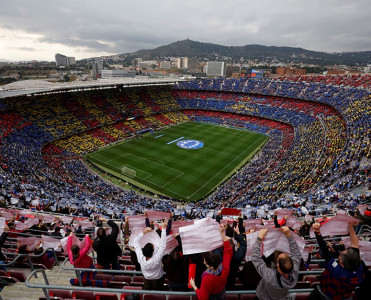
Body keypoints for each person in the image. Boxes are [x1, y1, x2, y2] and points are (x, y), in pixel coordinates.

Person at [309, 222, 365, 300]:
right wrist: (351, 227)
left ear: (341, 261)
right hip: (345, 296)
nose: (340, 253)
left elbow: (325, 251)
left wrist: (317, 232)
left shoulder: (336, 271)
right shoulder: (358, 271)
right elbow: (355, 245)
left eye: (341, 254)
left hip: (325, 296)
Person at [252, 226, 301, 300]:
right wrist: (288, 235)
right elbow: (296, 253)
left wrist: (259, 238)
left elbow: (256, 258)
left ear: (277, 264)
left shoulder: (268, 276)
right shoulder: (294, 272)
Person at [189, 226, 233, 300]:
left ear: (211, 267)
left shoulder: (206, 279)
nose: (203, 262)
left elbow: (203, 297)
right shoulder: (224, 268)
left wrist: (194, 286)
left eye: (205, 263)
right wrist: (222, 233)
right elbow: (228, 250)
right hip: (221, 293)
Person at [133, 219, 168, 290]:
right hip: (158, 279)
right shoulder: (157, 258)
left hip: (146, 279)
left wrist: (144, 232)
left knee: (147, 294)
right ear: (153, 252)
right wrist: (163, 229)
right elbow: (163, 245)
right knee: (157, 294)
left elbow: (135, 242)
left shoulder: (140, 257)